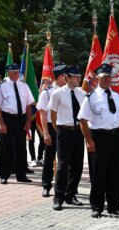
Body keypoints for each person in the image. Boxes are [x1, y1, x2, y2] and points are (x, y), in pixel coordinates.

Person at [78, 63, 119, 218]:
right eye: (105, 77)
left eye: (109, 77)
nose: (108, 79)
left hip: (116, 138)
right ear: (98, 79)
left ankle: (114, 206)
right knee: (99, 175)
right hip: (99, 138)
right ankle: (97, 207)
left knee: (116, 174)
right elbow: (83, 120)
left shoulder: (117, 96)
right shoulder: (91, 97)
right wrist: (89, 141)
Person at [48, 65, 86, 210]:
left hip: (78, 132)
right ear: (67, 77)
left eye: (79, 77)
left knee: (77, 166)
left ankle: (71, 195)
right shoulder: (57, 93)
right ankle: (58, 198)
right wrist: (58, 130)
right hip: (64, 132)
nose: (78, 79)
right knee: (62, 166)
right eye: (75, 77)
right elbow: (52, 114)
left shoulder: (81, 93)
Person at [0, 63, 35, 184]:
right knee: (6, 148)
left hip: (21, 119)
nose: (17, 74)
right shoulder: (1, 86)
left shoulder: (24, 86)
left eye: (17, 72)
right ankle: (4, 175)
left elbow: (28, 104)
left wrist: (28, 121)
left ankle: (21, 175)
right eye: (14, 73)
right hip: (7, 118)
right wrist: (1, 123)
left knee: (21, 147)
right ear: (8, 73)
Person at [37, 64, 67, 197]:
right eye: (66, 75)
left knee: (65, 159)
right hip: (51, 127)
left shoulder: (68, 91)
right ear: (61, 76)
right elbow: (43, 114)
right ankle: (46, 186)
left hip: (65, 127)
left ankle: (65, 187)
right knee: (49, 158)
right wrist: (46, 133)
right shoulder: (47, 93)